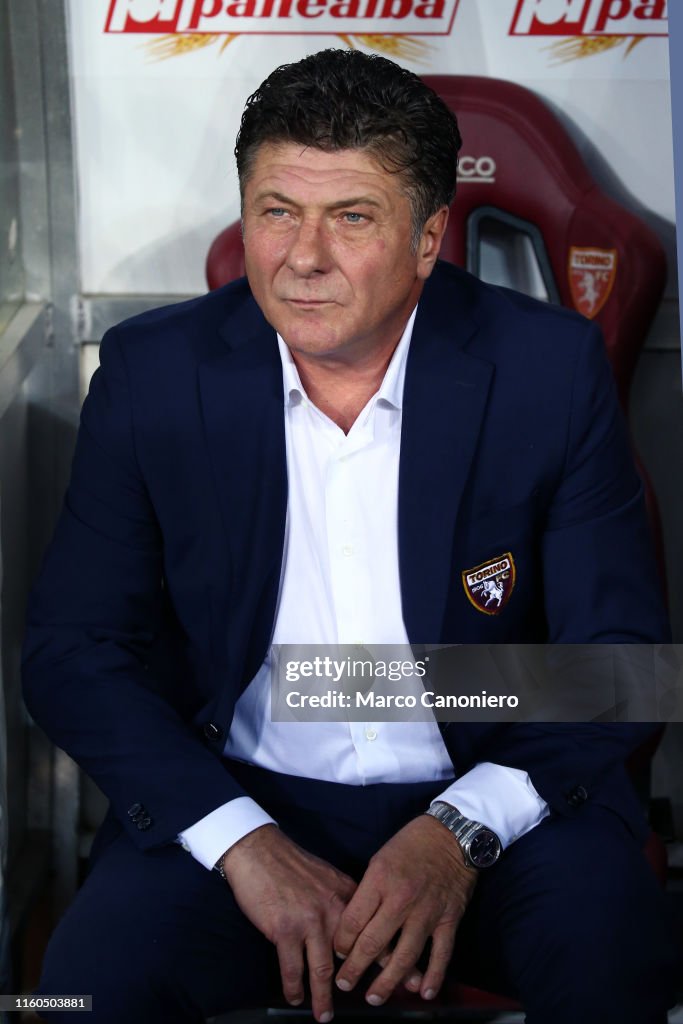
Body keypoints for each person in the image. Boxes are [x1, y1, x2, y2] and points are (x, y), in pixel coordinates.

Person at [22, 49, 678, 1023]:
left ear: (426, 239)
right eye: (276, 210)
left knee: (612, 961)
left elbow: (617, 662)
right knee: (76, 993)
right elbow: (74, 652)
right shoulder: (154, 374)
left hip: (491, 796)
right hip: (238, 795)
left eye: (352, 217)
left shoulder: (544, 371)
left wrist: (454, 832)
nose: (303, 256)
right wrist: (238, 837)